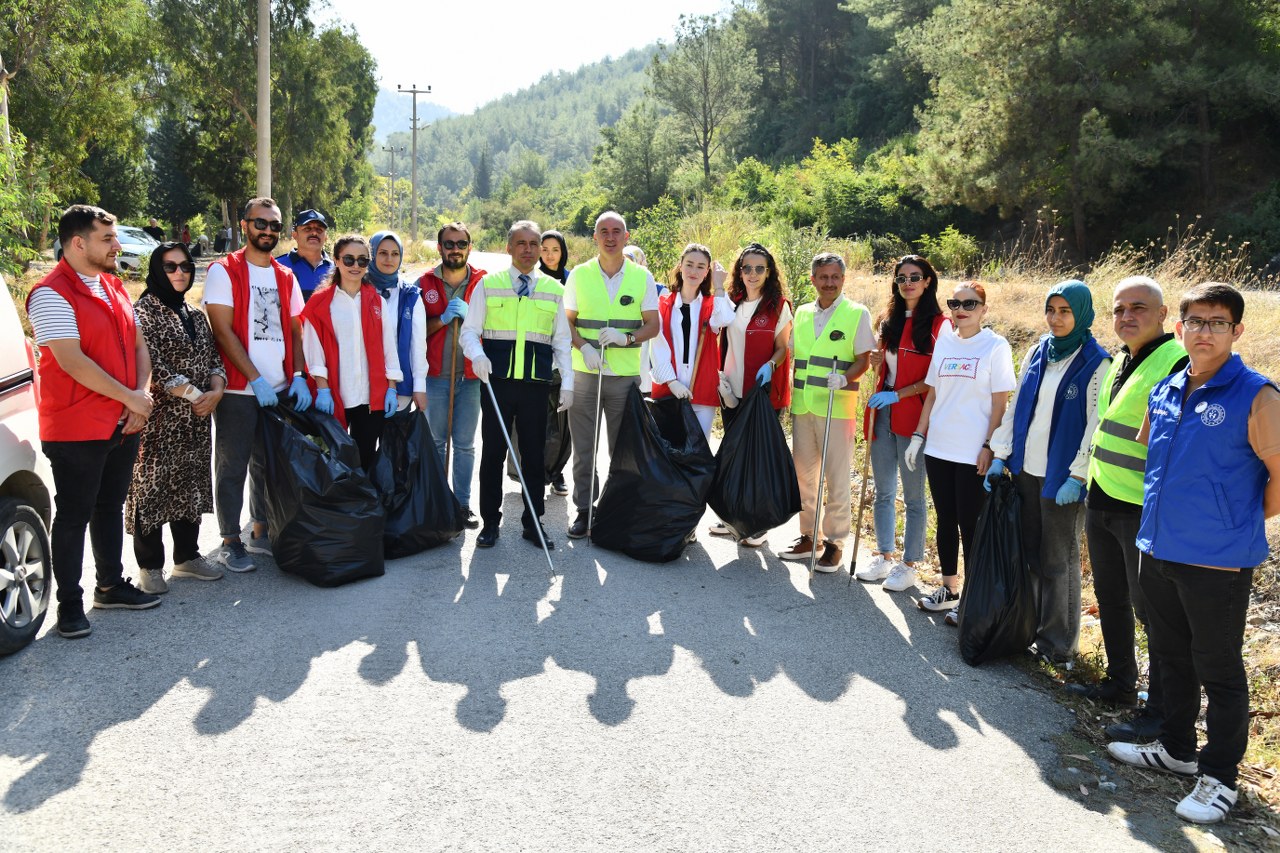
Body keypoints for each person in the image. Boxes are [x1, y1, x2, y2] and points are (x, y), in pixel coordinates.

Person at [1107, 282, 1280, 825]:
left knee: (1220, 669)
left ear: (1237, 332)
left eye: (1218, 322)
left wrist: (1235, 520)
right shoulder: (1167, 385)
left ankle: (1220, 778)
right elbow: (1153, 456)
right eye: (1196, 322)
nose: (1205, 332)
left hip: (1218, 560)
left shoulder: (1257, 395)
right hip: (1158, 546)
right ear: (1179, 329)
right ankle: (1177, 748)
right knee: (1169, 652)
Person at [25, 205, 160, 638]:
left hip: (122, 420)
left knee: (109, 506)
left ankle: (109, 585)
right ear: (78, 243)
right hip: (76, 427)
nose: (117, 246)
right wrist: (132, 400)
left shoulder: (114, 286)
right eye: (107, 239)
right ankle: (68, 606)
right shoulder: (49, 293)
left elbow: (140, 345)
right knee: (74, 515)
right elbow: (72, 362)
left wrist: (140, 397)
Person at [1069, 276, 1187, 739]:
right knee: (1111, 598)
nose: (1127, 317)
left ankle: (1159, 712)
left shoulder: (1176, 360)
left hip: (1142, 505)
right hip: (1102, 495)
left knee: (1153, 613)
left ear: (1163, 316)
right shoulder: (1120, 358)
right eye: (1119, 309)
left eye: (1138, 307)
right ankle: (1119, 685)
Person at [987, 280, 1110, 662]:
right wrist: (1000, 452)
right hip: (1026, 469)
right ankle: (1030, 629)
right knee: (1030, 555)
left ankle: (1059, 647)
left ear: (1083, 314)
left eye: (1065, 311)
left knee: (1060, 562)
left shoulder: (1096, 362)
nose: (1056, 319)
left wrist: (1078, 475)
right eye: (1051, 310)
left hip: (1062, 478)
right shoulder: (1039, 351)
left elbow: (1096, 424)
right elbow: (1018, 406)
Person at [204, 197, 312, 573]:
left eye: (274, 226)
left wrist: (297, 375)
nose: (267, 231)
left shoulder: (285, 276)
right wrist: (254, 378)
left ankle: (260, 530)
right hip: (238, 390)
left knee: (267, 464)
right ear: (245, 224)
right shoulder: (225, 271)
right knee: (232, 465)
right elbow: (222, 330)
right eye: (260, 223)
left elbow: (297, 330)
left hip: (279, 388)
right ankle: (230, 540)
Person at [904, 283, 1017, 618]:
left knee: (971, 522)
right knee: (946, 519)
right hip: (939, 447)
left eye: (970, 303)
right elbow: (934, 393)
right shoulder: (946, 342)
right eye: (955, 302)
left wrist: (989, 446)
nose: (961, 308)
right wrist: (917, 435)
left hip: (972, 451)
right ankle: (950, 588)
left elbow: (1000, 402)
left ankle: (975, 597)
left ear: (984, 309)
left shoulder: (995, 346)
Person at [461, 220, 573, 548]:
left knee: (534, 455)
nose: (527, 250)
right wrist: (477, 355)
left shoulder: (554, 290)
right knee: (493, 453)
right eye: (520, 243)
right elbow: (469, 331)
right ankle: (490, 523)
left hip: (536, 386)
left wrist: (567, 382)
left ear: (540, 249)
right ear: (508, 248)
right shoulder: (489, 285)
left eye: (533, 244)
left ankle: (532, 523)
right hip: (496, 385)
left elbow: (562, 342)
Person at [125, 243, 227, 594]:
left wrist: (216, 389)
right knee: (150, 488)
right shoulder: (143, 313)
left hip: (196, 421)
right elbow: (151, 364)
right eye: (170, 267)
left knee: (190, 485)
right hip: (159, 420)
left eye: (185, 266)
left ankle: (187, 557)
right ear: (156, 270)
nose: (179, 273)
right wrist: (198, 396)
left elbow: (214, 357)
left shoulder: (195, 314)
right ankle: (150, 566)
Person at [563, 211, 661, 539]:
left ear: (626, 236)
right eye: (603, 231)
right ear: (595, 237)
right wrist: (584, 348)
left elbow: (653, 324)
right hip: (585, 371)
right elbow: (567, 322)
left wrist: (627, 338)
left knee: (621, 449)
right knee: (584, 447)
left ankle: (617, 509)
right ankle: (584, 510)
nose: (610, 236)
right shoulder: (579, 274)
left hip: (623, 376)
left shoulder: (641, 276)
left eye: (616, 231)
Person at [855, 255, 949, 592]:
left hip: (915, 415)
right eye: (901, 277)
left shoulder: (941, 325)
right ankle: (884, 557)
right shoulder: (888, 320)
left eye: (915, 276)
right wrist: (879, 362)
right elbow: (884, 367)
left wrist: (901, 394)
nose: (907, 282)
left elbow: (938, 378)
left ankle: (909, 565)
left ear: (927, 281)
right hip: (883, 412)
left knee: (913, 496)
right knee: (882, 490)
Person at [777, 252, 874, 571]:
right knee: (805, 477)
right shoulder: (802, 313)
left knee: (836, 478)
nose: (829, 282)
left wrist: (846, 376)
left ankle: (834, 542)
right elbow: (793, 357)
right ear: (813, 279)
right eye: (823, 277)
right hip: (803, 406)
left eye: (835, 277)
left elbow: (863, 358)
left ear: (843, 280)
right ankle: (810, 536)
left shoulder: (856, 313)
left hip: (837, 408)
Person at [708, 243, 793, 546]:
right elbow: (716, 330)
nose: (753, 274)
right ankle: (734, 516)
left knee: (757, 458)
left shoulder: (778, 305)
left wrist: (771, 364)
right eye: (747, 268)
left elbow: (784, 348)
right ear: (739, 271)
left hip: (763, 394)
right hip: (731, 390)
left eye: (760, 268)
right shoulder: (731, 302)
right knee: (734, 455)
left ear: (768, 272)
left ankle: (758, 524)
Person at [301, 234, 402, 470]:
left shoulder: (377, 301)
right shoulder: (320, 303)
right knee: (336, 463)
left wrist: (391, 388)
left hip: (369, 398)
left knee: (365, 460)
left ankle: (363, 506)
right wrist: (323, 389)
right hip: (335, 395)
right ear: (336, 260)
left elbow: (389, 347)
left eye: (362, 261)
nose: (355, 266)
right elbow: (313, 350)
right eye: (348, 260)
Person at [419, 222, 486, 528]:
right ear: (440, 248)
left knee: (464, 444)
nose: (455, 249)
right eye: (449, 244)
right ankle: (435, 501)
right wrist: (443, 319)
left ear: (469, 247)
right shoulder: (424, 283)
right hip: (435, 376)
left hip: (470, 378)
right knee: (434, 443)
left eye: (461, 244)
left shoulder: (484, 283)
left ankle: (461, 505)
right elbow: (417, 333)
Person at [649, 244, 733, 440]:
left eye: (701, 266)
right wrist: (672, 383)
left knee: (698, 453)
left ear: (707, 272)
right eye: (689, 264)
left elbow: (724, 320)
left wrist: (719, 286)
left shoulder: (713, 303)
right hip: (669, 391)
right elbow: (657, 347)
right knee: (669, 454)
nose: (694, 271)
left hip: (702, 390)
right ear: (680, 266)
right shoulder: (663, 304)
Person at [368, 231, 428, 413]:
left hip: (400, 389)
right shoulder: (360, 289)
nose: (389, 259)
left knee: (395, 441)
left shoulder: (410, 296)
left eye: (395, 254)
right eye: (382, 253)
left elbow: (418, 346)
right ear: (372, 254)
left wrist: (419, 386)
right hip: (365, 385)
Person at [540, 230, 572, 496]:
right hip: (537, 359)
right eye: (545, 249)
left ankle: (557, 471)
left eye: (555, 249)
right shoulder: (531, 278)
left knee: (562, 423)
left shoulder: (572, 280)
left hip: (565, 359)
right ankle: (536, 469)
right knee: (537, 419)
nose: (550, 255)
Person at [276, 209, 333, 302]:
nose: (314, 233)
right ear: (294, 234)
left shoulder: (336, 269)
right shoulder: (279, 266)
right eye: (307, 229)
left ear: (326, 236)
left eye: (319, 230)